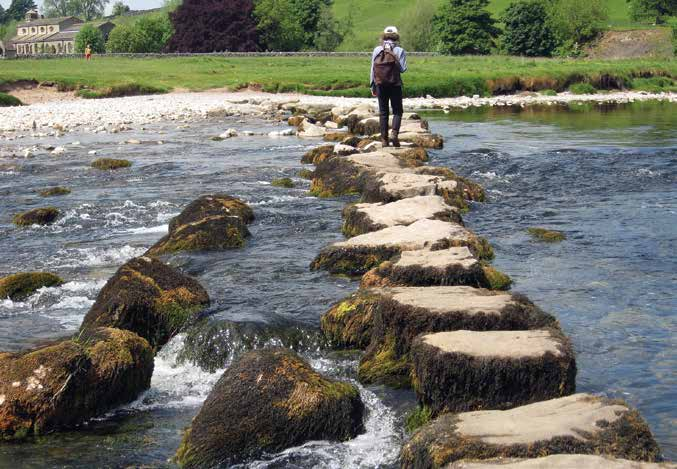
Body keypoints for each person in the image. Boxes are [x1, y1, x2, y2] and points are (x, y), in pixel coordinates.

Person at [370, 26, 407, 147]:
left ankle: (384, 140)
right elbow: (402, 69)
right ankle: (394, 134)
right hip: (395, 84)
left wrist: (372, 85)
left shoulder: (377, 50)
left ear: (383, 36)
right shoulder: (400, 50)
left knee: (383, 112)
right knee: (397, 111)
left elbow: (372, 69)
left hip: (380, 84)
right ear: (396, 36)